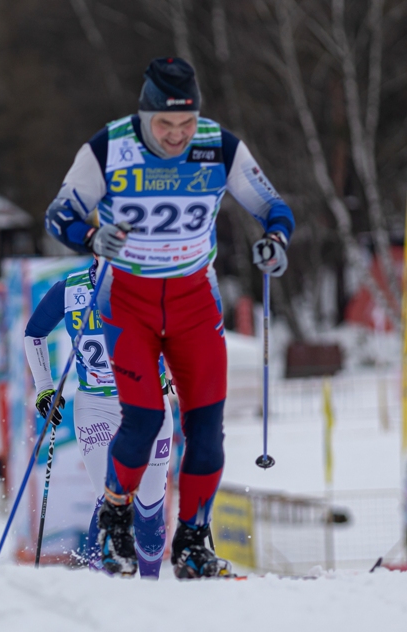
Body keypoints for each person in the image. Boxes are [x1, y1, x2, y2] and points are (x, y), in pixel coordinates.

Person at [45, 57, 294, 578]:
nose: (178, 136)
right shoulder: (108, 147)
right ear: (144, 116)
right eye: (165, 125)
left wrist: (275, 240)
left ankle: (192, 540)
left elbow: (272, 205)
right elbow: (61, 214)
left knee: (206, 430)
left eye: (186, 124)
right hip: (129, 302)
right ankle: (116, 516)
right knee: (145, 417)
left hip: (193, 302)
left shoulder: (218, 146)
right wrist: (91, 237)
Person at [24, 261, 173, 578]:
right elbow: (34, 333)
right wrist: (44, 389)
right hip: (96, 405)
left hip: (147, 404)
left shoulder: (152, 283)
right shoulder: (71, 289)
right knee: (109, 496)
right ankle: (100, 583)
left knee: (149, 504)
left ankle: (150, 585)